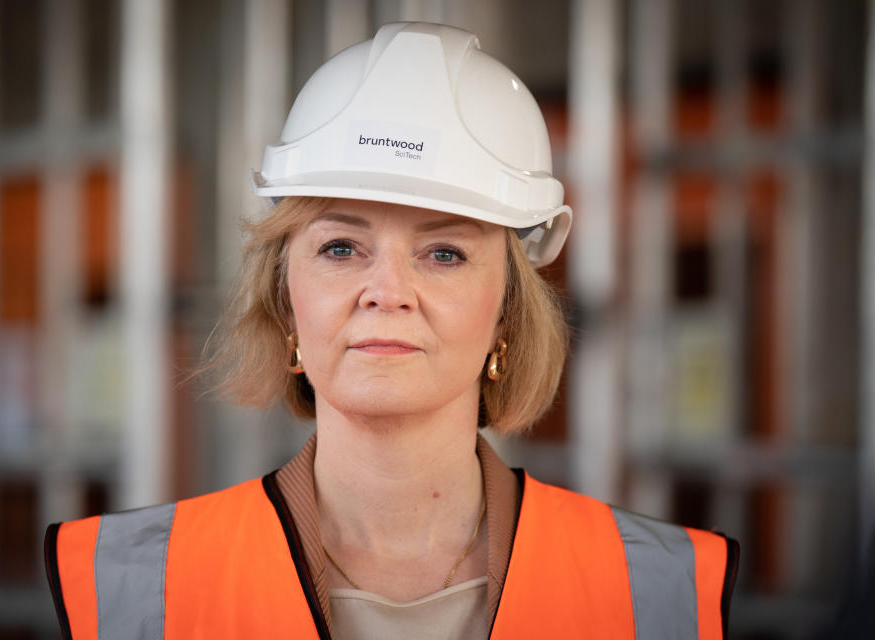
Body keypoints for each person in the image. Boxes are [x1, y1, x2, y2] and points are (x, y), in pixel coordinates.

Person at [44, 22, 738, 639]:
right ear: (287, 303)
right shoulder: (134, 585)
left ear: (507, 309)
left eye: (444, 253)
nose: (387, 292)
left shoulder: (659, 589)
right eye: (341, 248)